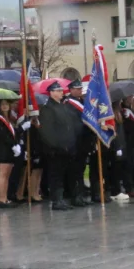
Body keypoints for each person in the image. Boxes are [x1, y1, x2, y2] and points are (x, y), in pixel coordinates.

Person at [37, 82, 76, 211]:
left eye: (61, 90)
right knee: (55, 176)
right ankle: (56, 200)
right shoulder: (47, 108)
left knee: (61, 175)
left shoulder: (62, 106)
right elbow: (48, 132)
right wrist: (57, 145)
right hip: (55, 150)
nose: (61, 93)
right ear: (52, 92)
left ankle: (60, 199)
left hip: (66, 148)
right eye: (58, 91)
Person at [63, 81, 92, 206]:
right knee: (74, 171)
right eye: (77, 88)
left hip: (83, 142)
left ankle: (80, 195)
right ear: (71, 90)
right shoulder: (68, 103)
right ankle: (74, 196)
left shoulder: (81, 102)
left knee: (80, 170)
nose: (80, 90)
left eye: (80, 88)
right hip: (74, 142)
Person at [0, 100, 22, 207]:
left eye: (6, 104)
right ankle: (2, 199)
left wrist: (22, 128)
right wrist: (14, 145)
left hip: (9, 150)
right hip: (3, 150)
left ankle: (5, 198)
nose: (4, 106)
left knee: (7, 176)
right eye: (2, 105)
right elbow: (4, 135)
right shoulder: (0, 119)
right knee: (3, 175)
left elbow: (13, 133)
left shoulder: (8, 119)